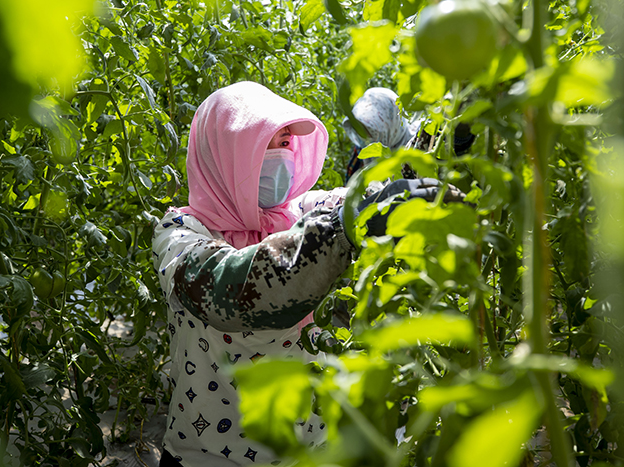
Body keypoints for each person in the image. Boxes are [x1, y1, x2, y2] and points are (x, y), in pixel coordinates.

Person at [152, 81, 451, 467]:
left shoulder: (299, 211)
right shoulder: (179, 232)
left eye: (287, 143)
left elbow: (370, 193)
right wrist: (340, 230)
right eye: (269, 144)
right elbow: (233, 289)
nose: (284, 156)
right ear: (227, 152)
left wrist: (440, 142)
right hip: (208, 455)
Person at [343, 87, 416, 180]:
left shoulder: (420, 145)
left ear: (391, 122)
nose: (366, 137)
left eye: (370, 130)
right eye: (361, 129)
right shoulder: (363, 151)